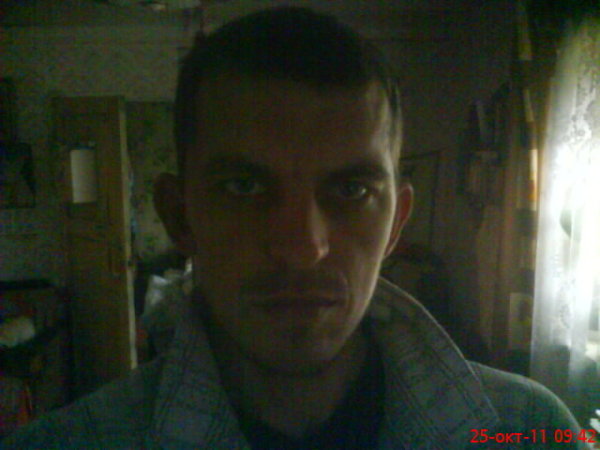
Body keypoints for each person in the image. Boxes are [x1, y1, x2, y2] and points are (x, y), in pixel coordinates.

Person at [4, 7, 586, 449]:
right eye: (243, 187)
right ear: (180, 217)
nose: (303, 248)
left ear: (394, 226)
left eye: (351, 191)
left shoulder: (530, 431)